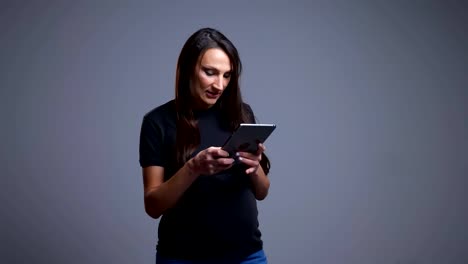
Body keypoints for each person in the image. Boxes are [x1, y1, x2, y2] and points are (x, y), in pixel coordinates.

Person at [138, 27, 271, 264]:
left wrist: (255, 165)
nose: (219, 85)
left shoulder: (241, 114)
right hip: (182, 257)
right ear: (189, 69)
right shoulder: (157, 122)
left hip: (247, 255)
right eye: (210, 72)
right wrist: (193, 168)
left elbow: (261, 192)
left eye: (227, 75)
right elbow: (153, 205)